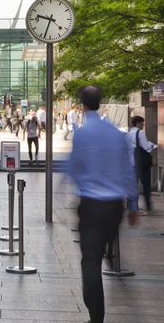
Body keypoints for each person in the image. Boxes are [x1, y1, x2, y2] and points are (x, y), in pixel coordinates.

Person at [67, 86, 139, 323]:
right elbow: (128, 169)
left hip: (91, 205)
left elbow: (75, 169)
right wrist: (133, 204)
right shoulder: (115, 133)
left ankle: (96, 317)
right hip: (114, 207)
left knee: (90, 261)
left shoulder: (82, 133)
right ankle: (108, 250)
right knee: (102, 243)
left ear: (82, 105)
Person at [125, 116, 157, 215]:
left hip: (131, 162)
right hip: (141, 163)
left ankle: (131, 206)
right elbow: (146, 147)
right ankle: (147, 206)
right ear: (138, 123)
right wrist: (151, 146)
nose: (143, 125)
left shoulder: (128, 134)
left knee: (132, 186)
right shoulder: (140, 133)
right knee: (146, 185)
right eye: (142, 123)